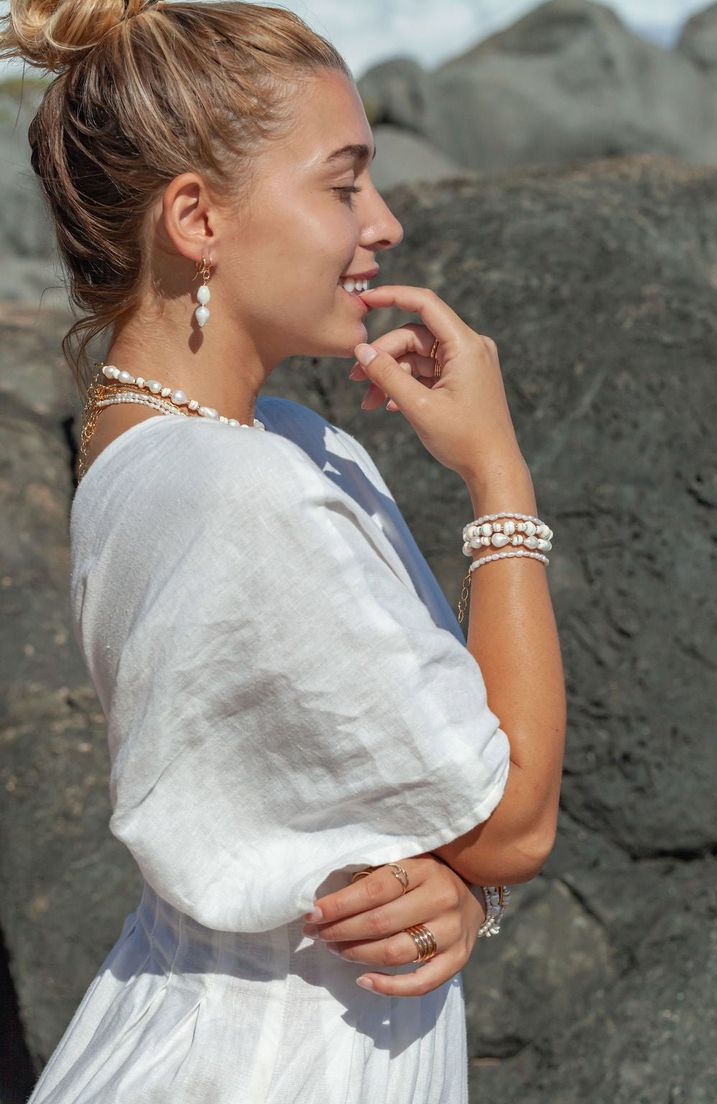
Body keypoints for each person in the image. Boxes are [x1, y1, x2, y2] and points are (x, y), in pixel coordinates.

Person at [0, 2, 567, 1101]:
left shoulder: (166, 447)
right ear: (197, 218)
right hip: (272, 1063)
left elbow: (385, 811)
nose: (386, 221)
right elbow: (510, 822)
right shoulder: (245, 484)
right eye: (344, 183)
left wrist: (462, 894)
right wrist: (500, 482)